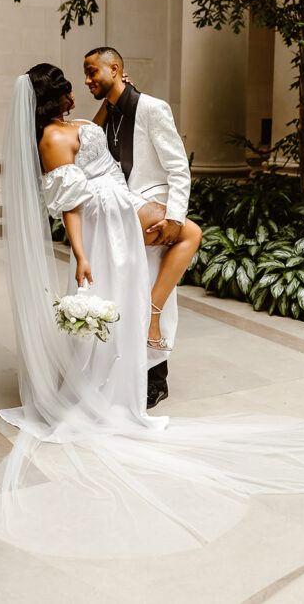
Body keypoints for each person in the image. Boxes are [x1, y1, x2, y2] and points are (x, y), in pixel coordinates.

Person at [0, 65, 304, 559]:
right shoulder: (53, 138)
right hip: (108, 211)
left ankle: (150, 316)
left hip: (123, 200)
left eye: (90, 76)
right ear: (56, 97)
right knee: (188, 234)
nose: (80, 89)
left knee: (178, 241)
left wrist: (115, 95)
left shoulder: (76, 124)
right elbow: (70, 203)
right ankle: (148, 321)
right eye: (71, 85)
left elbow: (95, 128)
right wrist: (78, 255)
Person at [83, 47, 189, 408]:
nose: (87, 80)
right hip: (122, 217)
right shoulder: (107, 116)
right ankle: (127, 372)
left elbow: (178, 168)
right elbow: (88, 146)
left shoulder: (152, 108)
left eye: (92, 72)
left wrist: (175, 217)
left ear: (115, 69)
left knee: (158, 296)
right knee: (126, 294)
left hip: (153, 215)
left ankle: (156, 380)